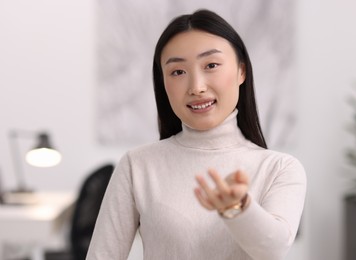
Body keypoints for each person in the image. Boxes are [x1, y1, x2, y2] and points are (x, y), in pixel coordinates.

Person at [87, 9, 306, 260]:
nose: (196, 87)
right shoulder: (137, 165)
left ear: (241, 72)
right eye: (178, 72)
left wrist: (238, 208)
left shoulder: (279, 168)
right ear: (163, 83)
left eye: (211, 65)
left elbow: (273, 249)